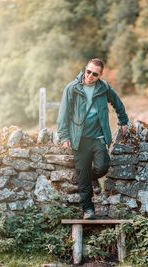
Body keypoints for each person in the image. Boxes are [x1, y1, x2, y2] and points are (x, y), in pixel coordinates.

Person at [57, 58, 129, 219]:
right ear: (85, 69)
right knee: (82, 176)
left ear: (100, 75)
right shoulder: (72, 88)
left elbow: (118, 103)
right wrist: (64, 136)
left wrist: (123, 121)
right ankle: (88, 210)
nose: (90, 76)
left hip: (98, 137)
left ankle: (89, 178)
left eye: (94, 74)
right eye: (88, 71)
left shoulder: (104, 88)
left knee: (103, 166)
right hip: (79, 139)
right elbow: (63, 114)